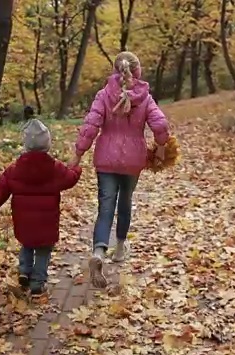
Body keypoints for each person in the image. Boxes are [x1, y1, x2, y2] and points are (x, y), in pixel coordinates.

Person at [68, 51, 170, 289]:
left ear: (116, 70)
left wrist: (78, 153)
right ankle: (120, 248)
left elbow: (91, 124)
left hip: (106, 159)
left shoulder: (104, 95)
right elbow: (160, 123)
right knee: (125, 202)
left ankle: (99, 252)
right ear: (137, 71)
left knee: (105, 207)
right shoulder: (144, 98)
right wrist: (162, 146)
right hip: (134, 159)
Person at [0, 119, 82, 297]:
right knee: (43, 249)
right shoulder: (55, 168)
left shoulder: (15, 170)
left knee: (27, 244)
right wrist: (77, 169)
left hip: (24, 220)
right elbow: (70, 179)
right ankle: (38, 283)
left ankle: (25, 271)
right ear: (47, 144)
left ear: (25, 145)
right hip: (47, 221)